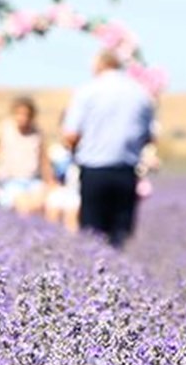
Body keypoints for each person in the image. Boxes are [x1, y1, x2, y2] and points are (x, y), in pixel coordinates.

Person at [62, 50, 155, 248]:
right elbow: (149, 137)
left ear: (99, 66)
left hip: (93, 171)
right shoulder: (140, 93)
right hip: (126, 171)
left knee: (92, 232)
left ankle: (96, 276)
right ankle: (117, 273)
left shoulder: (86, 91)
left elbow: (71, 135)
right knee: (119, 235)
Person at [0, 96, 55, 215]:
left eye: (26, 114)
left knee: (41, 205)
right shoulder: (5, 129)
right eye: (19, 114)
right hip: (10, 180)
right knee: (24, 206)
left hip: (32, 180)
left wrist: (50, 181)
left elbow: (44, 161)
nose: (22, 118)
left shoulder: (37, 133)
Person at [44, 110, 80, 233]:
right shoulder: (54, 151)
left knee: (72, 214)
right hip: (59, 191)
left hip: (77, 193)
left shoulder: (85, 153)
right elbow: (49, 176)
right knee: (52, 209)